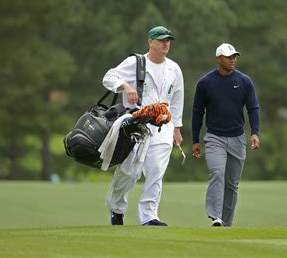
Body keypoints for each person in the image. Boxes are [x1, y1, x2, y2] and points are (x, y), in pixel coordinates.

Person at [102, 26, 184, 226]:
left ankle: (149, 216)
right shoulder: (136, 62)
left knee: (156, 171)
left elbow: (177, 99)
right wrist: (126, 86)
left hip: (162, 126)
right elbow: (109, 77)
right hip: (135, 125)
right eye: (161, 40)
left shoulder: (174, 68)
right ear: (151, 42)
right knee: (129, 172)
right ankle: (117, 208)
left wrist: (177, 128)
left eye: (168, 40)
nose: (166, 43)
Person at [191, 43, 260, 227]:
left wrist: (254, 132)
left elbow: (253, 109)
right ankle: (215, 216)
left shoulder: (244, 81)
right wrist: (195, 140)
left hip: (237, 138)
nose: (233, 60)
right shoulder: (205, 83)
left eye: (234, 56)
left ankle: (225, 224)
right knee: (217, 173)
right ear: (218, 59)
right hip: (214, 138)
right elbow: (198, 112)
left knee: (232, 184)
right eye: (229, 57)